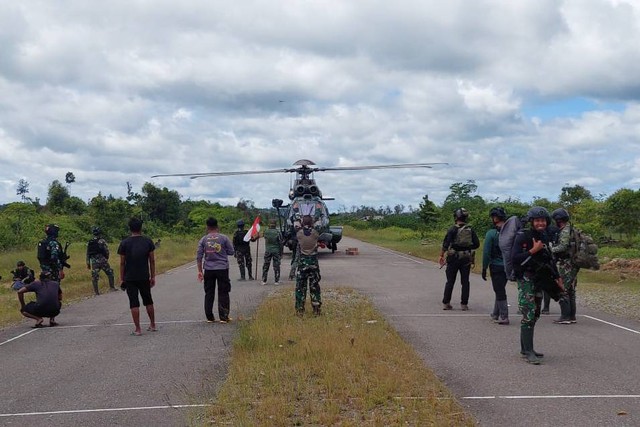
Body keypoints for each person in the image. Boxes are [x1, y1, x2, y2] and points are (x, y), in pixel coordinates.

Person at [511, 206, 565, 365]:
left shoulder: (545, 236)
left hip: (540, 279)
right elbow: (515, 259)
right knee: (528, 314)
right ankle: (528, 351)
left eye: (543, 220)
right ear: (531, 221)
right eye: (537, 220)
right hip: (526, 280)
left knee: (535, 313)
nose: (540, 223)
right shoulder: (523, 237)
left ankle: (526, 348)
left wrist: (557, 276)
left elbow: (549, 259)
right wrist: (532, 251)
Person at [118, 218, 156, 336]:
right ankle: (153, 324)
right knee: (148, 300)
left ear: (130, 228)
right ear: (141, 228)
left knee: (134, 303)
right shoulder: (148, 241)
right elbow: (152, 260)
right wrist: (153, 276)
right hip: (144, 276)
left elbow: (122, 263)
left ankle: (138, 329)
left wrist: (122, 278)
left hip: (130, 277)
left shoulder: (124, 243)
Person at [439, 208, 480, 311]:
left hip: (453, 258)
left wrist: (441, 255)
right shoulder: (470, 230)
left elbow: (446, 244)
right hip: (466, 258)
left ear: (456, 217)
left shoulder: (452, 229)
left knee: (450, 281)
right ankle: (464, 304)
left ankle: (446, 303)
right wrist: (467, 247)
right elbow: (477, 244)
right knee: (465, 281)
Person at [196, 217, 235, 323]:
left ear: (207, 227)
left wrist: (200, 271)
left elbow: (199, 256)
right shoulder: (224, 238)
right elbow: (231, 252)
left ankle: (209, 317)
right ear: (217, 226)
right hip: (222, 268)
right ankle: (224, 317)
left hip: (208, 269)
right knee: (223, 292)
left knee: (209, 293)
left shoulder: (203, 239)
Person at [481, 207, 509, 324]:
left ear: (495, 218)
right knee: (500, 288)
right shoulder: (510, 233)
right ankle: (495, 313)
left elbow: (486, 252)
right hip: (508, 265)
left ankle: (504, 316)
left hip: (496, 266)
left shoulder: (491, 233)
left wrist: (484, 267)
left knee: (499, 290)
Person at [550, 208, 578, 324]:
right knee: (570, 290)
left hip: (566, 264)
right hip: (571, 263)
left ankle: (565, 316)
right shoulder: (571, 229)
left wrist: (551, 248)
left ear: (558, 220)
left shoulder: (565, 231)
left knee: (562, 288)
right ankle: (571, 316)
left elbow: (563, 246)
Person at [295, 215, 322, 316]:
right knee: (314, 286)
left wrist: (298, 218)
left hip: (302, 262)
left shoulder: (299, 233)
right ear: (311, 223)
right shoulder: (315, 232)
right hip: (313, 263)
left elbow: (296, 224)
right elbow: (319, 223)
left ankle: (300, 310)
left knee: (300, 287)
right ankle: (316, 310)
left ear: (302, 222)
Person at [86, 226, 116, 295]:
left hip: (94, 262)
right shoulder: (102, 241)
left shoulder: (90, 242)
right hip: (103, 261)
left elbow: (88, 254)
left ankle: (96, 292)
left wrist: (88, 263)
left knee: (94, 276)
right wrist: (106, 258)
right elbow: (106, 250)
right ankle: (112, 287)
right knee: (110, 272)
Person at [261, 219, 283, 285]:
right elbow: (280, 243)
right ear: (275, 224)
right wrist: (281, 253)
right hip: (276, 251)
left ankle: (264, 280)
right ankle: (276, 280)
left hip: (268, 250)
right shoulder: (278, 232)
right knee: (276, 266)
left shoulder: (266, 231)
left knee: (266, 265)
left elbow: (265, 237)